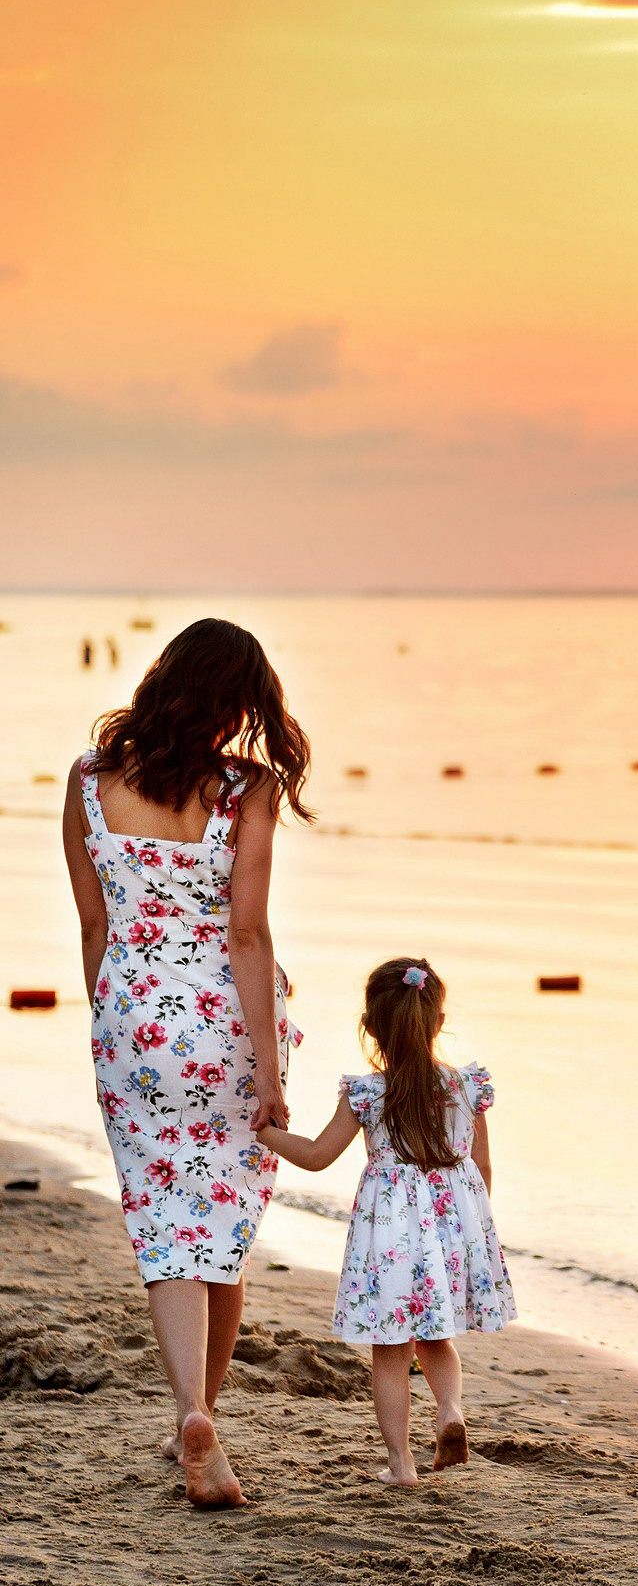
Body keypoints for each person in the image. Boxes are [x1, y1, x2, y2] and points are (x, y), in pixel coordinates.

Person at [62, 618, 312, 1508]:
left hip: (132, 1015)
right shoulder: (247, 789)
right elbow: (246, 932)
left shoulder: (90, 781)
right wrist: (272, 1078)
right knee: (224, 1222)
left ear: (164, 676)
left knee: (166, 1220)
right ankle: (203, 1422)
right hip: (226, 1023)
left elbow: (95, 926)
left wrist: (115, 1024)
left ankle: (191, 1412)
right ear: (239, 702)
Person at [258, 956, 516, 1485]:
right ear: (437, 1021)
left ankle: (401, 1464)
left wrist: (262, 1131)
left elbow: (314, 1155)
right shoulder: (467, 1086)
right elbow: (482, 1167)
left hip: (392, 1235)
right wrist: (473, 1237)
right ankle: (450, 1412)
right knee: (437, 1337)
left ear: (370, 1026)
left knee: (391, 1349)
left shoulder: (367, 1093)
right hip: (452, 1229)